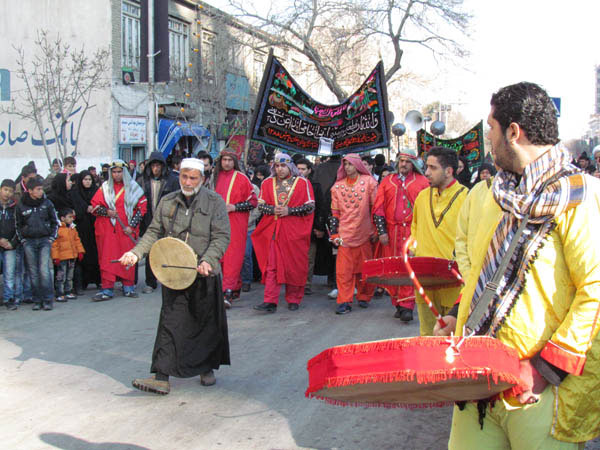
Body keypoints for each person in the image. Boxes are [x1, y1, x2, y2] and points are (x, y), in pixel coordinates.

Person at [433, 82, 600, 448]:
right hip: (476, 379)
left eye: (491, 129)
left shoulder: (580, 197)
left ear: (513, 132)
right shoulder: (495, 194)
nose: (488, 140)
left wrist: (544, 370)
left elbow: (595, 292)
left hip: (539, 393)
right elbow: (486, 271)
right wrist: (461, 314)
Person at [119, 158, 231, 395]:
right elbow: (153, 233)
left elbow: (221, 237)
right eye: (184, 177)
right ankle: (161, 376)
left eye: (193, 178)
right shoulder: (168, 202)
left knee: (205, 325)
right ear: (178, 176)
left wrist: (208, 261)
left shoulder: (215, 202)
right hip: (174, 274)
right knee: (170, 323)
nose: (188, 182)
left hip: (204, 274)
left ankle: (206, 368)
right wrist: (135, 253)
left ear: (202, 179)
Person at [411, 146, 467, 335]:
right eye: (426, 167)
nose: (426, 172)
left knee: (453, 338)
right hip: (425, 280)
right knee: (427, 335)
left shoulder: (466, 198)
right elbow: (415, 231)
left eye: (433, 168)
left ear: (449, 171)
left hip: (454, 282)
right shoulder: (421, 197)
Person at [252, 153, 314, 313]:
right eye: (277, 166)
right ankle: (270, 301)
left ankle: (294, 298)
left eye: (283, 166)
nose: (280, 169)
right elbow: (260, 205)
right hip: (273, 230)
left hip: (294, 231)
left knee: (293, 265)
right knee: (272, 266)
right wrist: (273, 209)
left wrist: (290, 210)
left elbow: (310, 206)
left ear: (290, 166)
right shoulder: (267, 183)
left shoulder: (302, 182)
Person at [373, 148, 429, 322]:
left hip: (412, 232)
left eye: (407, 161)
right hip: (391, 232)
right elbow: (378, 208)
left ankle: (407, 306)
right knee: (393, 268)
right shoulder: (387, 181)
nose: (403, 164)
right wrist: (381, 231)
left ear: (413, 164)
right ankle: (398, 302)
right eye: (401, 161)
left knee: (408, 268)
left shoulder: (423, 182)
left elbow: (428, 209)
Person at [329, 154, 379, 314]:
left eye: (350, 164)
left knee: (365, 269)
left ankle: (364, 296)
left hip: (364, 233)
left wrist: (377, 230)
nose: (347, 167)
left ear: (357, 165)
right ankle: (344, 301)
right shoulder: (337, 187)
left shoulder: (370, 182)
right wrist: (334, 234)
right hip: (345, 235)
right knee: (344, 271)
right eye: (345, 164)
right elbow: (335, 213)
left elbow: (376, 209)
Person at [91, 160, 147, 301]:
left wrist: (132, 226)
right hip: (108, 230)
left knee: (127, 257)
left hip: (126, 231)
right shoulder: (104, 188)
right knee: (107, 258)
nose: (116, 174)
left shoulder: (134, 188)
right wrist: (107, 212)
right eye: (114, 172)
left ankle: (128, 287)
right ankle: (107, 288)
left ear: (125, 172)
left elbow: (142, 208)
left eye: (119, 172)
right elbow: (95, 207)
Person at [210, 149, 257, 307]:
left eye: (230, 160)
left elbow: (253, 202)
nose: (227, 162)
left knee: (233, 256)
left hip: (236, 223)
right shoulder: (213, 178)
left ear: (234, 162)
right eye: (224, 159)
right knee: (221, 256)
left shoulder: (242, 178)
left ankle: (227, 291)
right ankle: (234, 287)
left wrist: (234, 207)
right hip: (217, 223)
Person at [137, 152, 179, 294]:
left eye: (158, 165)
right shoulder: (142, 181)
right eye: (153, 165)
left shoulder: (172, 181)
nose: (156, 168)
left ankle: (170, 280)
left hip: (168, 221)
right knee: (150, 252)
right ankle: (151, 282)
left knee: (168, 250)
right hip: (149, 221)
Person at [15, 177, 60, 311]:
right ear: (30, 191)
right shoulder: (21, 205)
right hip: (28, 242)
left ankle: (47, 299)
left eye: (41, 189)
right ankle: (37, 300)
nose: (41, 192)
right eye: (38, 189)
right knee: (33, 272)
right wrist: (22, 240)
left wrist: (52, 237)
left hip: (44, 240)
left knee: (44, 270)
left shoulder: (47, 203)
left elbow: (55, 222)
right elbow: (18, 225)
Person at [296, 158, 326, 296]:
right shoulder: (291, 185)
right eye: (298, 169)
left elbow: (320, 207)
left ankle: (306, 283)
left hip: (311, 227)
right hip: (294, 227)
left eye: (303, 169)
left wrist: (319, 227)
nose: (300, 172)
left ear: (309, 170)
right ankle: (295, 282)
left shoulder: (315, 185)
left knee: (309, 257)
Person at [69, 170, 101, 290]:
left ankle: (98, 279)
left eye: (89, 180)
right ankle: (83, 281)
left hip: (95, 226)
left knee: (96, 252)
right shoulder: (75, 193)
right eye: (85, 180)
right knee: (83, 253)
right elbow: (74, 207)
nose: (87, 182)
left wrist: (94, 208)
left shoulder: (96, 191)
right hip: (81, 227)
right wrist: (85, 208)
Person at [51, 208, 85, 302]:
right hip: (62, 258)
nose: (72, 219)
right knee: (61, 276)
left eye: (72, 217)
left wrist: (80, 251)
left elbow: (77, 241)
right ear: (62, 218)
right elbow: (54, 245)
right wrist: (55, 257)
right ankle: (60, 293)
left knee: (70, 275)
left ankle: (68, 291)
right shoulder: (58, 230)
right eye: (69, 217)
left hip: (72, 256)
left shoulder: (72, 228)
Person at [0, 180, 20, 310]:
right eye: (5, 190)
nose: (7, 193)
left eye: (10, 191)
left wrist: (12, 243)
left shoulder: (15, 207)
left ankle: (9, 298)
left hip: (10, 245)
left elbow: (20, 226)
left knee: (9, 273)